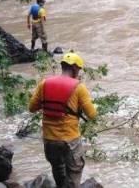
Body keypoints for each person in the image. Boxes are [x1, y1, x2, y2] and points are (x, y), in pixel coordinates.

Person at [28, 52, 97, 188]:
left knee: (57, 167)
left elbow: (32, 108)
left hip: (49, 139)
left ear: (63, 66)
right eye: (79, 69)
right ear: (75, 68)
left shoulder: (44, 83)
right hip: (69, 139)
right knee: (74, 170)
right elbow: (92, 115)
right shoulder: (79, 87)